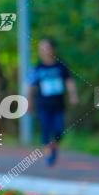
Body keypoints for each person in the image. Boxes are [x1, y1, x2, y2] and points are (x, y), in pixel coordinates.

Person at [28, 38, 78, 166]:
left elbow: (69, 81)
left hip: (59, 105)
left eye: (46, 48)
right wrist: (29, 103)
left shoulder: (61, 66)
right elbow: (31, 87)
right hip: (43, 105)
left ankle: (54, 147)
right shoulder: (38, 68)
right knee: (45, 129)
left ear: (52, 49)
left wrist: (73, 95)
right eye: (41, 49)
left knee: (59, 130)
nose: (43, 51)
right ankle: (49, 155)